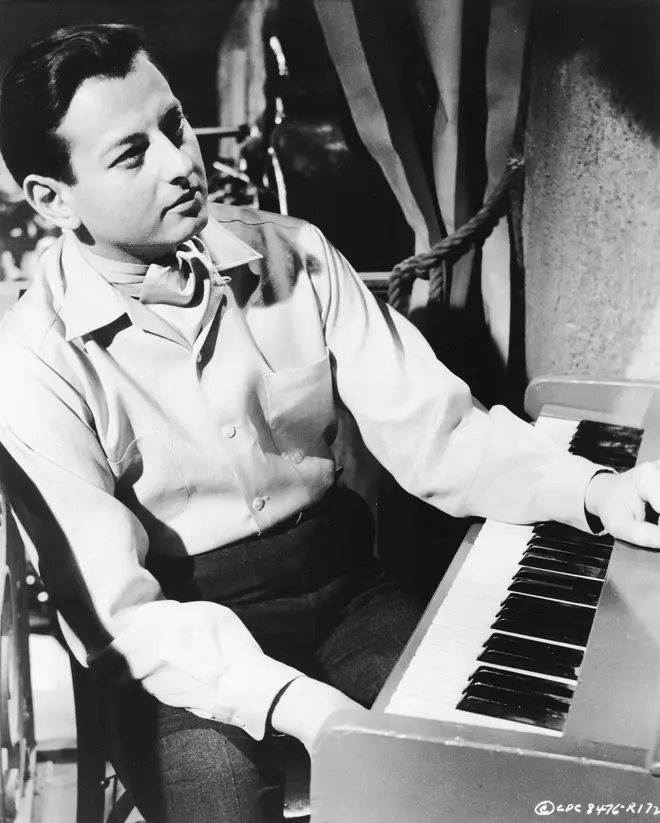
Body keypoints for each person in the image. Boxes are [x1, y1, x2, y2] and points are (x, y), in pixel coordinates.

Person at [0, 22, 659, 823]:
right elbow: (120, 615)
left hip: (347, 591)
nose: (181, 164)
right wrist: (301, 707)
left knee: (476, 782)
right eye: (131, 155)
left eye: (173, 125)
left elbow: (438, 430)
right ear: (51, 197)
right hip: (178, 642)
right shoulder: (29, 363)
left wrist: (592, 488)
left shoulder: (298, 254)